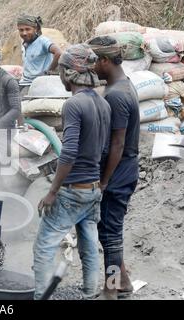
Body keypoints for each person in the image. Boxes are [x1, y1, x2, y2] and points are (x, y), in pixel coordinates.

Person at [34, 44, 111, 300]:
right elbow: (104, 150)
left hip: (72, 192)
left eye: (62, 70)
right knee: (89, 246)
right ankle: (90, 294)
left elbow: (68, 153)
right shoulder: (102, 103)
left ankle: (40, 297)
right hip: (92, 189)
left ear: (68, 73)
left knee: (44, 246)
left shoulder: (73, 105)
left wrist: (52, 192)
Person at [88, 35, 140, 300]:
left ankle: (111, 288)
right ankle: (124, 282)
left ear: (104, 61)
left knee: (109, 232)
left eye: (92, 61)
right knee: (108, 228)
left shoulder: (117, 95)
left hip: (119, 170)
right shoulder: (122, 85)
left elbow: (117, 144)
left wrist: (104, 180)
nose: (90, 66)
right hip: (123, 167)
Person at [17, 14, 62, 96]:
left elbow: (58, 52)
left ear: (35, 29)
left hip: (35, 83)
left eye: (28, 29)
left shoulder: (42, 41)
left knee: (20, 104)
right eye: (21, 30)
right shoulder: (25, 43)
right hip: (24, 82)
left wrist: (49, 70)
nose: (24, 33)